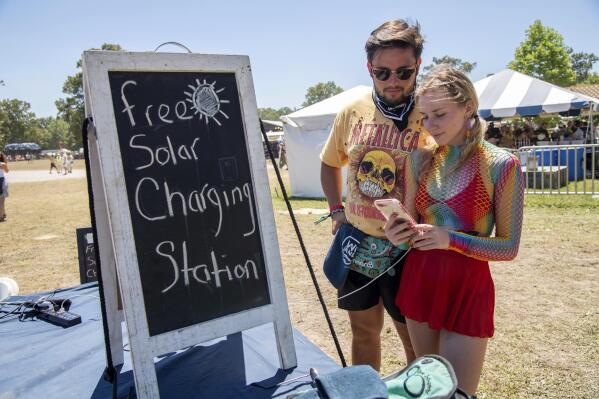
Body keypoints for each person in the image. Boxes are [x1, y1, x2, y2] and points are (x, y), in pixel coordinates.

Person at [384, 65, 524, 395]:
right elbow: (408, 221)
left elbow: (509, 247)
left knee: (457, 393)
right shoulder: (418, 160)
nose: (430, 126)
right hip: (420, 280)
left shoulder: (501, 164)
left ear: (468, 108)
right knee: (429, 390)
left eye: (440, 115)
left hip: (467, 286)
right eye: (425, 117)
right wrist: (397, 233)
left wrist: (450, 239)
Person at [320, 19, 431, 370]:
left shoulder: (432, 113)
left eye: (404, 71)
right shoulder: (352, 111)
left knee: (414, 339)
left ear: (418, 66)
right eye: (382, 73)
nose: (393, 81)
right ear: (369, 68)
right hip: (358, 244)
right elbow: (328, 163)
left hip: (410, 250)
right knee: (364, 333)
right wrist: (337, 210)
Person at [0, 152, 9, 222]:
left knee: (1, 201)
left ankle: (2, 215)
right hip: (2, 180)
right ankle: (2, 215)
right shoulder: (2, 164)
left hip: (1, 180)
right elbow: (7, 171)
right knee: (2, 201)